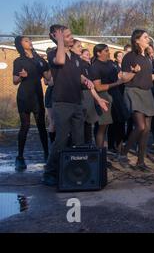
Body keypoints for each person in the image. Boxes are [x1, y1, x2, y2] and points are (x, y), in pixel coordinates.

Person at [42, 25, 109, 186]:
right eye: (67, 36)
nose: (71, 38)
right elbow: (60, 61)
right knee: (61, 139)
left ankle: (76, 171)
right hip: (62, 103)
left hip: (77, 102)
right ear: (57, 37)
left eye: (71, 35)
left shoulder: (76, 57)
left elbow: (77, 75)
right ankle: (49, 172)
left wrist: (85, 81)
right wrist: (59, 41)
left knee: (79, 140)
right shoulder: (54, 53)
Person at [118, 29, 154, 171]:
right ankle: (123, 152)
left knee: (146, 130)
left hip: (147, 93)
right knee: (140, 126)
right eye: (146, 37)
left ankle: (140, 162)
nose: (148, 39)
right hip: (134, 92)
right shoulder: (129, 56)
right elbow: (123, 78)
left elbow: (148, 78)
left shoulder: (147, 58)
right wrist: (133, 72)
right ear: (137, 40)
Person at [12, 36, 52, 171]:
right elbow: (14, 80)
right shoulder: (19, 61)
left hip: (37, 96)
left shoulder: (39, 60)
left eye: (30, 40)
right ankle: (20, 158)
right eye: (26, 40)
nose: (30, 42)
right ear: (20, 44)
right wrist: (21, 76)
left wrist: (50, 63)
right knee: (25, 125)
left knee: (41, 126)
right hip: (24, 96)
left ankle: (47, 155)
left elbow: (48, 77)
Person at [90, 44, 125, 149]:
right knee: (102, 127)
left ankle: (117, 149)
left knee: (118, 122)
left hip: (116, 95)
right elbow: (98, 87)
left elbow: (119, 75)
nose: (108, 52)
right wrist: (117, 83)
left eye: (108, 50)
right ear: (98, 53)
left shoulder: (110, 63)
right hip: (104, 97)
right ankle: (99, 154)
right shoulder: (95, 67)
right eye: (106, 51)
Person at [70, 40, 97, 145]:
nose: (81, 48)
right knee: (79, 122)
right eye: (78, 46)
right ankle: (77, 146)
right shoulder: (77, 63)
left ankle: (88, 144)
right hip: (80, 94)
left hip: (88, 93)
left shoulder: (87, 65)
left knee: (88, 121)